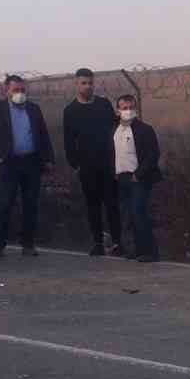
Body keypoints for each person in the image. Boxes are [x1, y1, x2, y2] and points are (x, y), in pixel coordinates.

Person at [0, 74, 54, 258]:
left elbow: (43, 135)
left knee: (30, 204)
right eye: (16, 90)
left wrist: (48, 159)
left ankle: (28, 244)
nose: (20, 93)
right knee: (4, 203)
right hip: (8, 163)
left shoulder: (33, 109)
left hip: (31, 162)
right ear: (6, 90)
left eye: (22, 90)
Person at [62, 67, 123, 257]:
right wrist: (76, 165)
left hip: (108, 164)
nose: (88, 86)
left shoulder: (103, 104)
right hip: (87, 167)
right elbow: (68, 141)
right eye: (83, 83)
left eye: (90, 83)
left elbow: (116, 129)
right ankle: (97, 243)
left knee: (112, 204)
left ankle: (117, 243)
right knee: (93, 205)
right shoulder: (70, 111)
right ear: (76, 84)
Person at [113, 94, 163, 262]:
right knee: (127, 215)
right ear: (117, 111)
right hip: (121, 177)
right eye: (124, 108)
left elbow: (153, 154)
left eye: (131, 108)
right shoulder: (114, 130)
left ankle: (150, 251)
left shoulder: (144, 130)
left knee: (138, 213)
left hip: (138, 178)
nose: (128, 111)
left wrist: (138, 174)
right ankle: (135, 249)